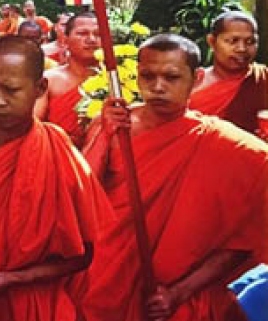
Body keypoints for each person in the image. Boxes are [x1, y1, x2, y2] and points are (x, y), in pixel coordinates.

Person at [81, 34, 268, 321]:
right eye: (148, 76)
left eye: (171, 77)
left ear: (197, 78)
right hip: (106, 280)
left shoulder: (222, 143)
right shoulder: (114, 126)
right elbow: (80, 198)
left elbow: (244, 236)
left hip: (177, 295)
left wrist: (179, 292)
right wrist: (104, 136)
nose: (158, 87)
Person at [0, 37, 109, 321]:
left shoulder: (55, 147)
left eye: (11, 90)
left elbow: (83, 254)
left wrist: (14, 278)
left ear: (40, 88)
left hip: (37, 302)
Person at [189, 11, 268, 135]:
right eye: (233, 41)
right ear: (212, 42)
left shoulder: (263, 78)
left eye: (250, 42)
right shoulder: (192, 83)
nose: (242, 49)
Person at [35, 12, 100, 146]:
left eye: (98, 34)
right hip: (60, 157)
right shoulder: (49, 80)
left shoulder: (119, 79)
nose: (92, 39)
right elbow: (33, 128)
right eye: (82, 33)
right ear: (65, 40)